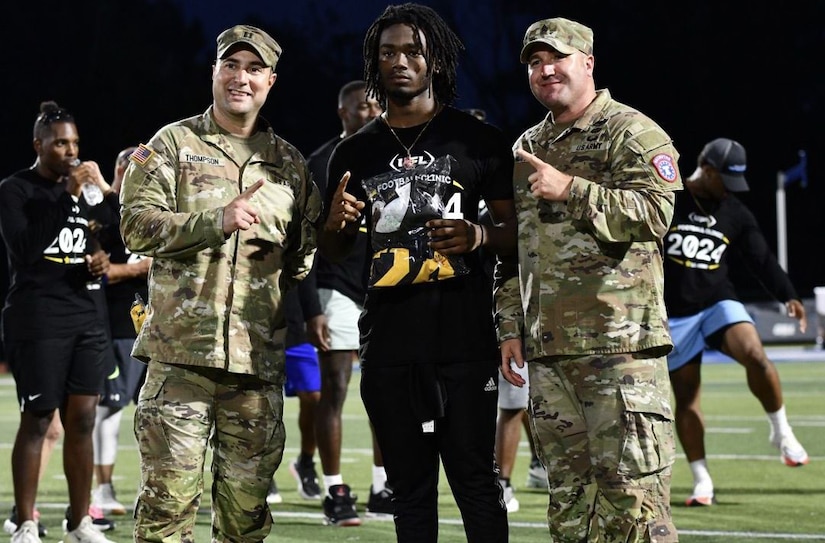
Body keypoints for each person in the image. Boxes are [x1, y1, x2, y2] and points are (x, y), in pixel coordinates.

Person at [319, 4, 516, 541]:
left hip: (464, 336)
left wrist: (478, 236)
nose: (399, 62)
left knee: (477, 483)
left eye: (412, 51)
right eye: (387, 52)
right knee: (409, 492)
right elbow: (333, 250)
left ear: (436, 60)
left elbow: (519, 234)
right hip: (389, 342)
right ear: (373, 63)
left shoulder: (478, 140)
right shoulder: (353, 152)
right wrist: (334, 223)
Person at [119, 24, 320, 542]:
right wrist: (215, 221)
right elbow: (136, 226)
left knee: (245, 522)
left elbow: (300, 260)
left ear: (271, 81)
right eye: (231, 65)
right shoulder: (172, 144)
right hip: (181, 362)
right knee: (166, 514)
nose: (241, 78)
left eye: (254, 69)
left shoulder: (291, 166)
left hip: (255, 369)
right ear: (214, 72)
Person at [496, 17, 681, 542]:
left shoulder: (631, 130)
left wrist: (571, 189)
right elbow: (516, 249)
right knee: (570, 509)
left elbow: (655, 214)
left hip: (620, 351)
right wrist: (510, 326)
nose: (544, 69)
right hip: (550, 355)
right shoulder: (529, 143)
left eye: (555, 57)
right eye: (534, 62)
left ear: (588, 63)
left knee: (634, 505)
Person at [664, 137, 810, 507]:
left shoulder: (735, 213)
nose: (731, 191)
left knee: (756, 354)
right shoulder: (670, 198)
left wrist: (788, 294)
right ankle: (701, 479)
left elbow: (762, 259)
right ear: (708, 171)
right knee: (687, 398)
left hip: (717, 302)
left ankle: (781, 431)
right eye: (726, 181)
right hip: (673, 315)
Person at [0, 101, 116, 543]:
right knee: (39, 417)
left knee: (83, 420)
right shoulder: (16, 189)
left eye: (75, 143)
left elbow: (117, 233)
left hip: (86, 316)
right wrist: (68, 193)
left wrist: (103, 193)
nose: (71, 151)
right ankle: (26, 521)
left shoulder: (84, 190)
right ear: (39, 145)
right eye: (61, 143)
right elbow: (27, 249)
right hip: (37, 317)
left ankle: (79, 521)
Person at [303, 80, 389, 525]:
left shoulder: (392, 161)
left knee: (382, 390)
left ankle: (381, 485)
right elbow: (305, 243)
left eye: (376, 105)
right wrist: (311, 306)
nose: (371, 112)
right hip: (335, 288)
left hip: (382, 289)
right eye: (361, 107)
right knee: (334, 388)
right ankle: (335, 489)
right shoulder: (323, 163)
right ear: (343, 112)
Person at [90, 146, 152, 516]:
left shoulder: (150, 212)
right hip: (116, 324)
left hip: (156, 326)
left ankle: (152, 488)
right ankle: (103, 489)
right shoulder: (101, 212)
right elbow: (100, 268)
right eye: (137, 170)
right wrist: (140, 268)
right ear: (119, 170)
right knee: (110, 409)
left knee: (155, 413)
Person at [266, 277, 323, 506]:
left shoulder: (299, 240)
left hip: (296, 326)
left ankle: (306, 463)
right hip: (258, 326)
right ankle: (263, 473)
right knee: (260, 404)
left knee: (314, 398)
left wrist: (314, 314)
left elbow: (308, 273)